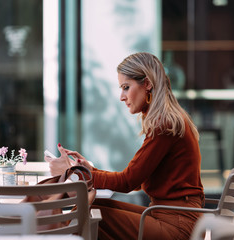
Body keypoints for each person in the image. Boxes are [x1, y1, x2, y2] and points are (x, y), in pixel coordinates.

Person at [45, 52, 205, 240]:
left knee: (91, 215)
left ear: (147, 84)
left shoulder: (164, 124)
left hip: (177, 226)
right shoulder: (165, 119)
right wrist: (89, 170)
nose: (122, 97)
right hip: (170, 216)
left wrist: (77, 172)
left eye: (126, 88)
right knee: (94, 206)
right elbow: (136, 180)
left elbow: (127, 182)